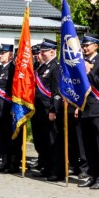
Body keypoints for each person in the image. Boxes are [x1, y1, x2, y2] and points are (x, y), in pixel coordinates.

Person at [76, 34, 99, 189]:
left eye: (88, 45)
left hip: (97, 109)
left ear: (95, 46)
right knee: (88, 145)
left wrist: (90, 72)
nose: (85, 48)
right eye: (83, 45)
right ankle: (92, 175)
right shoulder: (80, 63)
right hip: (84, 108)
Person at [32, 38, 62, 182]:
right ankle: (46, 167)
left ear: (52, 52)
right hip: (38, 111)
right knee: (42, 142)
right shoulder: (41, 68)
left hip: (48, 111)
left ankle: (56, 170)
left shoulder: (56, 67)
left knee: (52, 142)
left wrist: (54, 110)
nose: (41, 54)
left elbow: (57, 92)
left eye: (44, 51)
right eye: (41, 51)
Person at [0, 44, 17, 173]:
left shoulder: (13, 69)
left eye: (3, 53)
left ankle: (12, 164)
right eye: (0, 53)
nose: (0, 55)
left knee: (9, 137)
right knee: (0, 137)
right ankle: (4, 161)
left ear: (10, 55)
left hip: (7, 108)